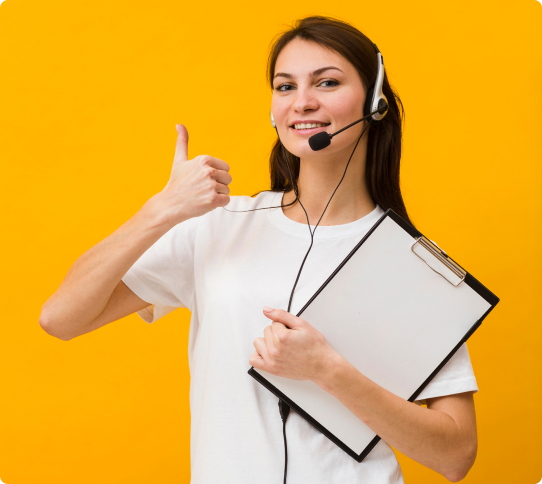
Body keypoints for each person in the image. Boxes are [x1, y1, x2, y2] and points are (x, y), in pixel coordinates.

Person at [40, 16, 479, 484]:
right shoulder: (218, 226)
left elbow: (454, 455)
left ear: (374, 103)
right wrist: (162, 210)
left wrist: (327, 370)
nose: (302, 102)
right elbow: (61, 318)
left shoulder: (412, 265)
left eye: (327, 82)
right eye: (285, 86)